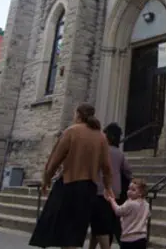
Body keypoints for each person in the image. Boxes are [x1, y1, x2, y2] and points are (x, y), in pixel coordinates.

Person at [29, 104, 114, 249]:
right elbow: (106, 167)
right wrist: (107, 187)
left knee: (60, 229)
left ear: (79, 115)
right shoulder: (101, 136)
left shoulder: (72, 131)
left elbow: (55, 160)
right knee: (75, 232)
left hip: (69, 184)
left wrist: (46, 180)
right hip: (89, 188)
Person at [90, 123, 132, 249]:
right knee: (101, 224)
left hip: (100, 191)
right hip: (115, 193)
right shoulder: (119, 154)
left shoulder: (100, 151)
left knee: (101, 227)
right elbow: (128, 171)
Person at [105, 178, 150, 249]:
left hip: (129, 238)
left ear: (140, 193)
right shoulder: (146, 204)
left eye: (133, 190)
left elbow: (118, 211)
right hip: (142, 238)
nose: (129, 191)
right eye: (129, 189)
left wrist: (112, 200)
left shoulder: (130, 204)